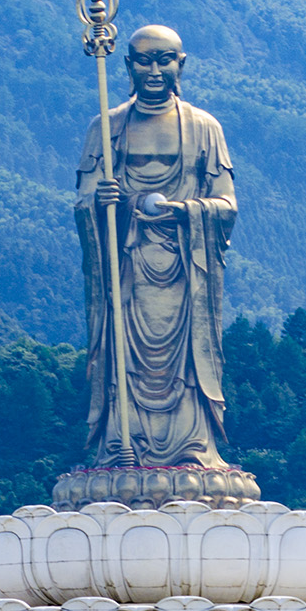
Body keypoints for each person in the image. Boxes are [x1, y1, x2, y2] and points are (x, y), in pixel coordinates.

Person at [75, 25, 237, 469]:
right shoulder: (106, 129)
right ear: (127, 65)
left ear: (180, 64)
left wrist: (186, 211)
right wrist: (104, 204)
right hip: (126, 266)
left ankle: (192, 445)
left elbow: (226, 205)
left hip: (185, 269)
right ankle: (122, 444)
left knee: (184, 362)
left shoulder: (204, 129)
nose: (154, 69)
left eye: (164, 59)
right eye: (143, 60)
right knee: (124, 358)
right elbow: (85, 202)